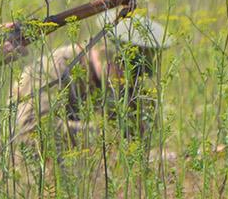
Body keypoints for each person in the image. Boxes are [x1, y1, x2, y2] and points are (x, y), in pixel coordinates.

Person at [12, 14, 166, 151]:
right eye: (124, 68)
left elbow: (139, 139)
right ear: (101, 50)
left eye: (136, 75)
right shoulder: (53, 70)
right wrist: (103, 136)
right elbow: (33, 131)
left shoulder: (118, 84)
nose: (127, 81)